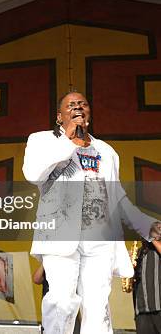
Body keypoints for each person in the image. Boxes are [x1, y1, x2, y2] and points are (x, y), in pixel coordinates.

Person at [23, 91, 161, 334]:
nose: (77, 107)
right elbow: (33, 174)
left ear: (89, 113)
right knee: (62, 302)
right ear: (59, 116)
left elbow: (117, 198)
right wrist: (67, 140)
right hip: (60, 236)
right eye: (70, 105)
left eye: (82, 104)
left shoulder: (106, 152)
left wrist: (148, 227)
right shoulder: (41, 141)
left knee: (98, 310)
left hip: (100, 241)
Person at [132, 239, 161, 334]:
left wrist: (153, 239)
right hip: (141, 309)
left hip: (158, 307)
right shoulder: (139, 251)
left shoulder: (157, 248)